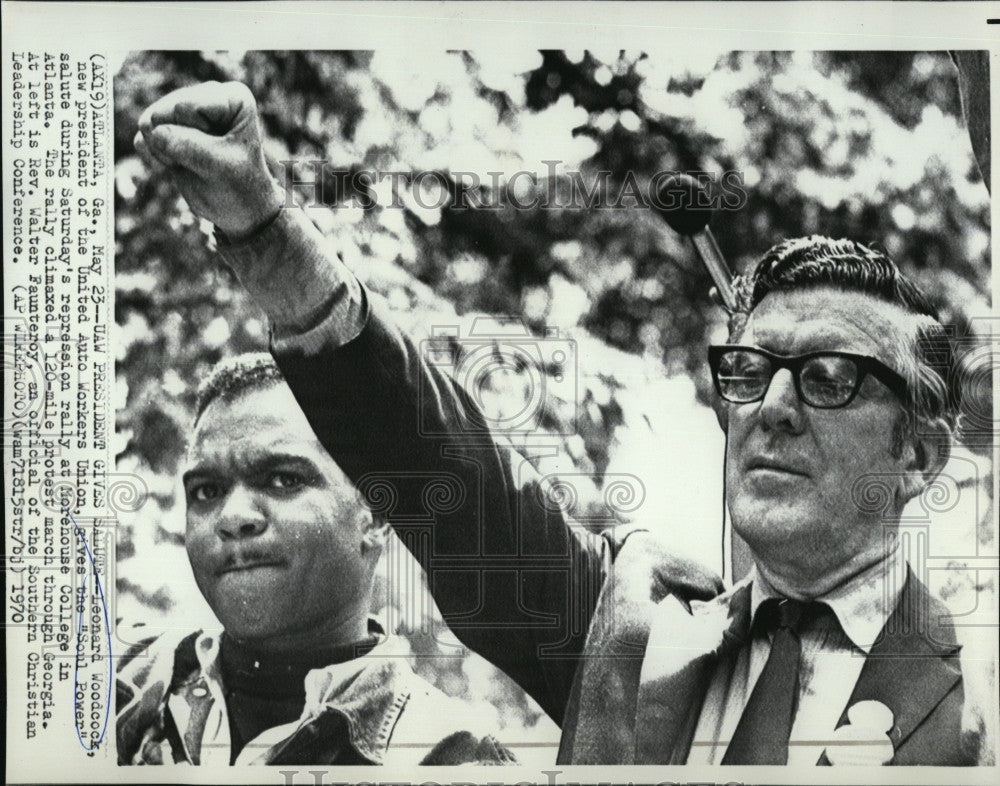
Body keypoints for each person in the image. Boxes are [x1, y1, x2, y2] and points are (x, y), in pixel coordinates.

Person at [133, 80, 991, 766]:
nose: (770, 408)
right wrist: (263, 233)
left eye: (828, 379)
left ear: (917, 455)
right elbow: (444, 468)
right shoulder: (628, 631)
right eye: (748, 371)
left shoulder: (978, 701)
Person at [115, 354, 515, 766]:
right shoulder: (120, 681)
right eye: (207, 491)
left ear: (376, 515)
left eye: (283, 480)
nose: (232, 517)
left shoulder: (448, 758)